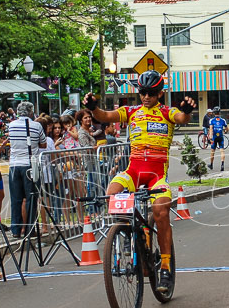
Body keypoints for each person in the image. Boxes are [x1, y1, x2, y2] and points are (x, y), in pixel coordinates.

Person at [83, 71, 196, 293]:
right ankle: (126, 233)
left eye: (151, 93)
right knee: (112, 192)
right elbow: (105, 116)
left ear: (160, 93)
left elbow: (182, 118)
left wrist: (187, 111)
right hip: (133, 171)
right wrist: (93, 107)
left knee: (160, 212)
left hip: (156, 175)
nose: (146, 97)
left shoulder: (166, 112)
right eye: (143, 92)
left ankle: (165, 266)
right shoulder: (131, 111)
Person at [7, 102, 46, 237]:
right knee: (31, 197)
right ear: (31, 112)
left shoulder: (11, 126)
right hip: (30, 164)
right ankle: (30, 228)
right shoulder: (36, 126)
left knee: (16, 198)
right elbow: (43, 143)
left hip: (14, 165)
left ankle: (16, 229)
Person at [209, 107, 228, 171]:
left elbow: (211, 129)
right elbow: (227, 128)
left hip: (214, 137)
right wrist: (225, 131)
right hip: (220, 136)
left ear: (214, 113)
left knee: (212, 151)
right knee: (222, 150)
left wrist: (210, 137)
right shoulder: (223, 120)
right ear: (219, 113)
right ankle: (222, 165)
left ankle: (211, 164)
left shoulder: (212, 120)